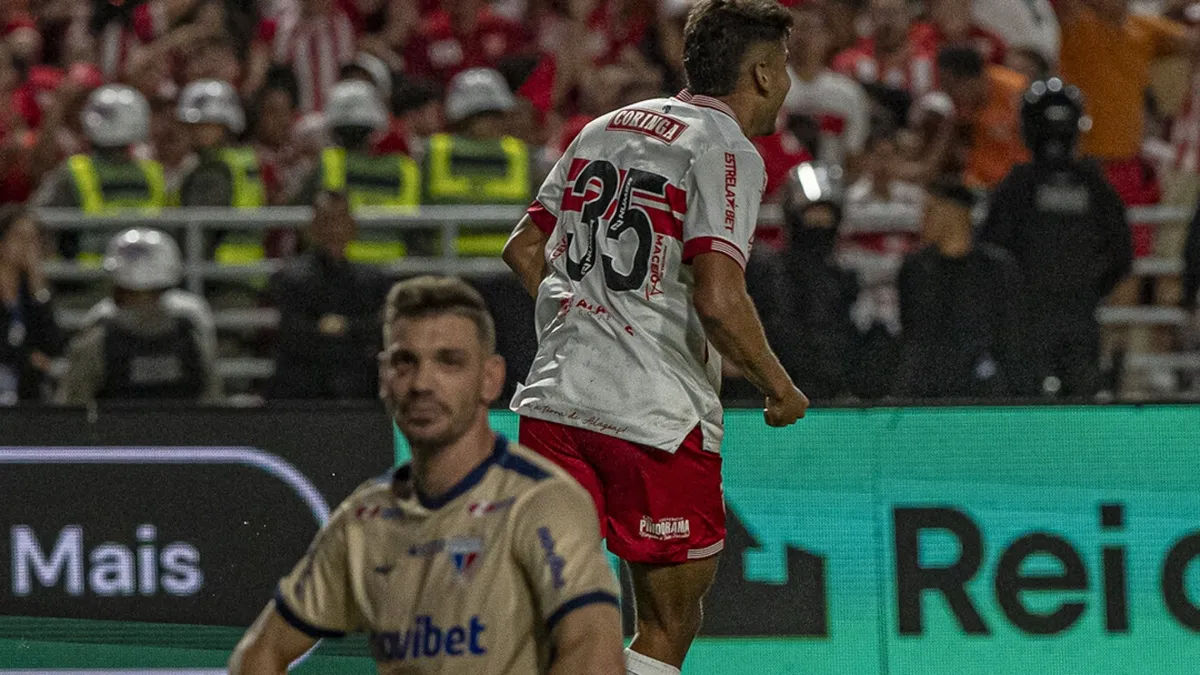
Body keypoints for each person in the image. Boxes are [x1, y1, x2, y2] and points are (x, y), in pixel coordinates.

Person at [502, 2, 807, 673]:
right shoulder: (727, 149)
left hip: (553, 405)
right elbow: (721, 302)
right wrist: (780, 389)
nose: (789, 83)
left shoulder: (603, 127)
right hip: (654, 419)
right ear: (759, 75)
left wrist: (586, 315)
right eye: (785, 67)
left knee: (562, 619)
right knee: (669, 620)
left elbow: (524, 248)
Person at [229, 275, 623, 674]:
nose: (421, 384)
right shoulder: (365, 519)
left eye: (448, 362)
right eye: (405, 362)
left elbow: (598, 654)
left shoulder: (539, 503)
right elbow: (260, 653)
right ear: (384, 378)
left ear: (491, 378)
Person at [981, 78, 1133, 397]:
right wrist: (1086, 288)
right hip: (1072, 314)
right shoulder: (1094, 187)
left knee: (1031, 407)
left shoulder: (1017, 186)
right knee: (1079, 408)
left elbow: (990, 249)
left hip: (1029, 317)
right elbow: (1121, 254)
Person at [895, 180, 1028, 399]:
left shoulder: (996, 268)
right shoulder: (916, 269)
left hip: (984, 390)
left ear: (953, 213)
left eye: (930, 210)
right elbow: (911, 332)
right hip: (927, 391)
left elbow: (1011, 334)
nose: (923, 219)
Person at [57, 227, 221, 404]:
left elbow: (70, 410)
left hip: (133, 430)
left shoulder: (97, 339)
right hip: (157, 431)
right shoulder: (192, 329)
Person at [267, 190, 390, 399]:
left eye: (339, 221)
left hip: (358, 388)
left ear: (352, 227)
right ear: (312, 229)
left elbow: (375, 330)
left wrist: (342, 327)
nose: (333, 230)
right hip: (304, 390)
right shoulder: (292, 279)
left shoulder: (371, 281)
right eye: (326, 222)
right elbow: (293, 333)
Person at [33, 84, 166, 258]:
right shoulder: (153, 172)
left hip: (125, 277)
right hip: (91, 280)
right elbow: (41, 222)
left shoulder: (72, 171)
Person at [424, 67, 534, 258]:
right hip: (449, 262)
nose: (490, 122)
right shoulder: (437, 149)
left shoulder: (518, 152)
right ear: (464, 118)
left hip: (505, 265)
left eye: (494, 115)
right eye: (482, 115)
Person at [0, 207, 61, 404]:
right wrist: (27, 358)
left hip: (24, 386)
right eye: (19, 237)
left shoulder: (32, 290)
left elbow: (52, 345)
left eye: (33, 240)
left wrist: (38, 289)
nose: (27, 247)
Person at [176, 79, 267, 209]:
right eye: (193, 126)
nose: (196, 132)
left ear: (226, 125)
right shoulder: (242, 157)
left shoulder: (216, 167)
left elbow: (204, 219)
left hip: (229, 229)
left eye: (206, 125)